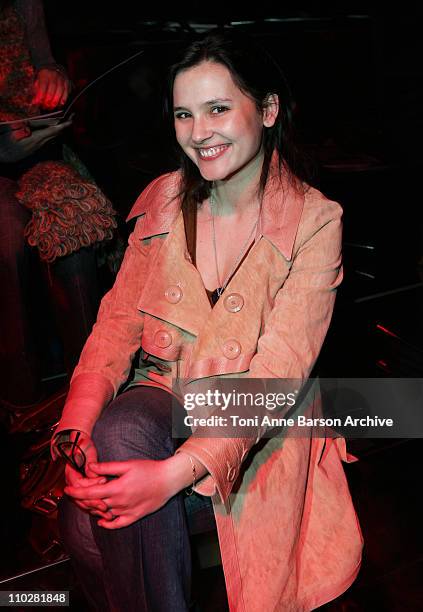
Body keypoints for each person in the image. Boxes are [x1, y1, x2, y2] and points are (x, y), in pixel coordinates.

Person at [53, 32, 363, 612]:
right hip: (166, 396)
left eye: (218, 108)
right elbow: (117, 323)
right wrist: (74, 430)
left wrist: (169, 477)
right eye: (183, 114)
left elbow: (278, 374)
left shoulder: (316, 221)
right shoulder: (164, 199)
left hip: (261, 423)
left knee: (84, 526)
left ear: (267, 110)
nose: (199, 132)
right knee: (108, 454)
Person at [0, 0, 102, 409]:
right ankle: (19, 403)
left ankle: (92, 388)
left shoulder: (24, 3)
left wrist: (52, 75)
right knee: (6, 242)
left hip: (37, 156)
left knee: (75, 232)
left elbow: (46, 62)